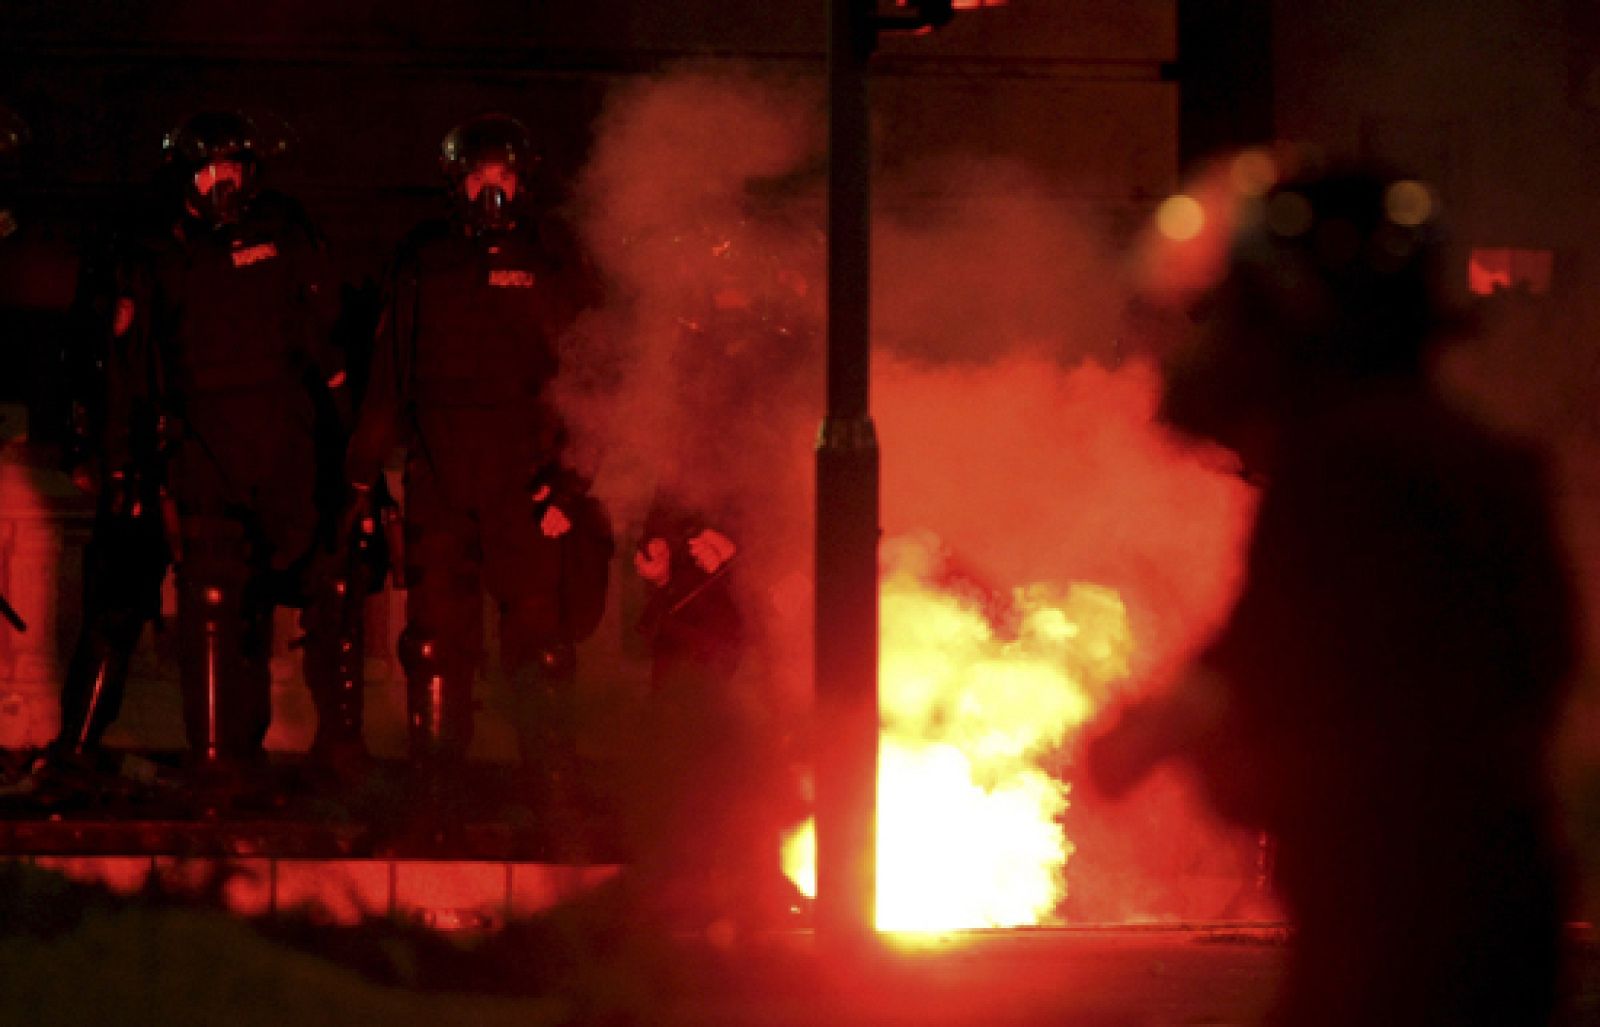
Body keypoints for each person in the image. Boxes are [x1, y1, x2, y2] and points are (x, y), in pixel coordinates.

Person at [1084, 161, 1578, 1025]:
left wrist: (1150, 736)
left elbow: (1277, 660)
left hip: (1404, 909)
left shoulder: (1349, 469)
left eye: (1247, 306)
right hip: (1472, 895)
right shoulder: (1462, 453)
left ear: (1303, 313)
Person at [345, 113, 611, 842]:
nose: (491, 189)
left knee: (543, 641)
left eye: (504, 176)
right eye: (477, 176)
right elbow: (386, 378)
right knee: (434, 641)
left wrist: (570, 483)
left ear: (522, 183)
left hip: (525, 483)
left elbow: (595, 380)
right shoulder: (423, 261)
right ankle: (435, 790)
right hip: (440, 475)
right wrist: (361, 480)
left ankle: (552, 785)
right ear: (456, 183)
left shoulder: (555, 264)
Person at [119, 110, 359, 796]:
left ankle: (341, 751)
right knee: (218, 597)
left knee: (333, 582)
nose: (223, 182)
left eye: (234, 169)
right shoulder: (161, 250)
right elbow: (138, 365)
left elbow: (326, 335)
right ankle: (223, 757)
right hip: (205, 446)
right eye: (209, 169)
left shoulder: (284, 229)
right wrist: (127, 458)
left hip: (290, 440)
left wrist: (349, 443)